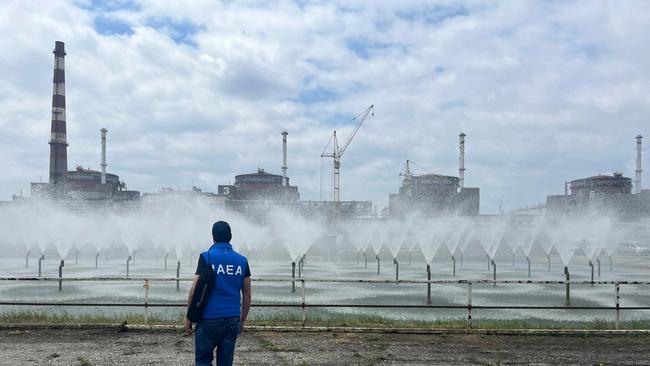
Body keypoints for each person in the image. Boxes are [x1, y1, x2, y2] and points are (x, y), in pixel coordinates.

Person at [185, 220, 252, 366]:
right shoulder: (242, 261)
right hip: (232, 319)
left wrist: (189, 316)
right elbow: (247, 294)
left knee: (203, 361)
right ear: (230, 236)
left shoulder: (207, 257)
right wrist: (242, 321)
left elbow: (194, 290)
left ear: (213, 236)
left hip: (208, 319)